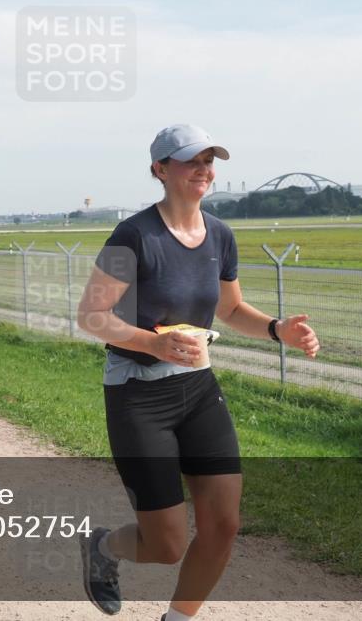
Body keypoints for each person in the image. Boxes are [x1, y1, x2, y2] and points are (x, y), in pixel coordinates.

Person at [76, 125, 320, 621]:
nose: (204, 170)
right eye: (191, 161)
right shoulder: (134, 235)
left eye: (210, 160)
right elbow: (91, 316)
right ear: (160, 169)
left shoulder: (221, 234)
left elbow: (230, 310)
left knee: (223, 525)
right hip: (138, 396)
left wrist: (276, 329)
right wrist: (154, 342)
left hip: (198, 389)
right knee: (166, 545)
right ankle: (103, 547)